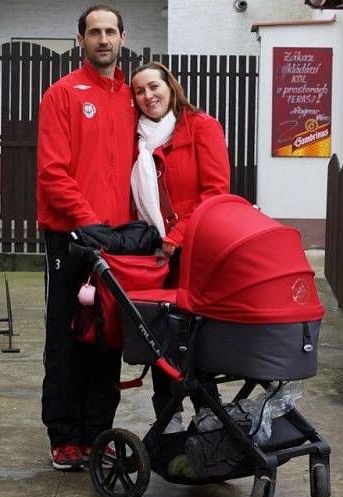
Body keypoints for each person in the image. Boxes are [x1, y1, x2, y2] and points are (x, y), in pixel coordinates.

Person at [36, 4, 136, 470]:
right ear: (80, 40)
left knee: (107, 340)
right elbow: (53, 174)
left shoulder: (133, 98)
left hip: (116, 244)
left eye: (110, 31)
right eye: (93, 32)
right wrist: (87, 223)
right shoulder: (62, 95)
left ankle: (99, 434)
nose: (102, 39)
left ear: (122, 38)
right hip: (70, 240)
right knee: (66, 339)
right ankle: (64, 436)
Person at [129, 61, 230, 429]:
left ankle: (210, 420)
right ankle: (168, 423)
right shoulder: (138, 140)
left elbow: (215, 193)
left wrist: (177, 236)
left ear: (170, 87)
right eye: (139, 91)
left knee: (195, 337)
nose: (148, 96)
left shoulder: (201, 126)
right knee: (158, 334)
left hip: (195, 251)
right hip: (156, 255)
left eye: (153, 86)